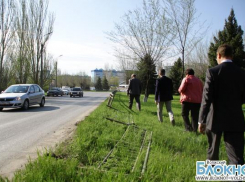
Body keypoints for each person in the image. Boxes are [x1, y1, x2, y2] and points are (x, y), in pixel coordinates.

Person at [198, 44, 245, 165]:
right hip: (235, 118)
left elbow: (206, 99)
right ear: (232, 56)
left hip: (215, 118)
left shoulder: (212, 72)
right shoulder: (241, 73)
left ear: (218, 55)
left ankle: (212, 172)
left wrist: (201, 120)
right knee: (236, 155)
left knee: (212, 151)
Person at [178, 68, 203, 133]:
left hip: (187, 100)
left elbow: (181, 89)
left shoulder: (186, 79)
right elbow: (202, 90)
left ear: (187, 74)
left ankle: (188, 128)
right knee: (195, 116)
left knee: (184, 114)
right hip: (197, 101)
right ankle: (194, 130)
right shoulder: (199, 81)